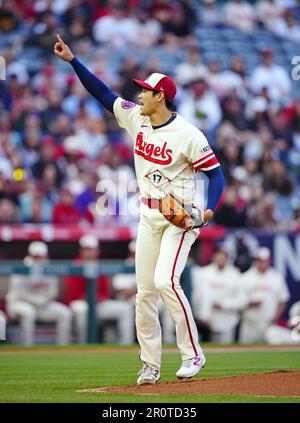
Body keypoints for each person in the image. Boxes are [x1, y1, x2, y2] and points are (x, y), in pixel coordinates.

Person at [54, 34, 225, 384]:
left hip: (180, 216)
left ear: (160, 96)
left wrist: (207, 211)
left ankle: (194, 354)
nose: (139, 95)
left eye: (145, 91)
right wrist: (73, 61)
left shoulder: (188, 134)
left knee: (166, 281)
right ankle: (150, 364)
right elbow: (102, 93)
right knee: (144, 291)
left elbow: (216, 175)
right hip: (149, 215)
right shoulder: (137, 118)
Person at [65, 234, 135, 345]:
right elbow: (72, 294)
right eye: (87, 249)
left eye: (92, 249)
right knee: (81, 310)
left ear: (97, 250)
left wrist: (98, 298)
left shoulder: (100, 266)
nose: (89, 252)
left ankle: (125, 346)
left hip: (98, 303)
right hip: (81, 303)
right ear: (81, 251)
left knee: (125, 309)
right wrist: (91, 298)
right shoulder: (75, 265)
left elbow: (105, 292)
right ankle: (83, 347)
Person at [6, 241, 72, 346]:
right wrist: (37, 300)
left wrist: (44, 300)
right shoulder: (22, 267)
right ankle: (27, 348)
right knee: (28, 313)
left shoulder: (48, 267)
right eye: (35, 256)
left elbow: (53, 291)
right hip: (19, 303)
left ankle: (62, 348)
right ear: (30, 255)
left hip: (42, 304)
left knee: (65, 313)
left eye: (40, 256)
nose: (38, 259)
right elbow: (19, 293)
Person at [192, 247, 243, 344]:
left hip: (228, 320)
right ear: (213, 257)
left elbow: (242, 299)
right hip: (206, 321)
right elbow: (197, 296)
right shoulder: (203, 273)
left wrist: (224, 304)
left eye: (223, 258)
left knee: (226, 351)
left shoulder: (235, 274)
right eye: (218, 257)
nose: (220, 260)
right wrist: (201, 315)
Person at [239, 247, 290, 344]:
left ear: (268, 261)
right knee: (245, 353)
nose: (259, 263)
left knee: (270, 353)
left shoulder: (276, 277)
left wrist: (275, 317)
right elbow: (238, 300)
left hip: (268, 324)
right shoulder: (245, 277)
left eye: (261, 261)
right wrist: (249, 303)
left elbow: (283, 300)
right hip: (250, 324)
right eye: (257, 260)